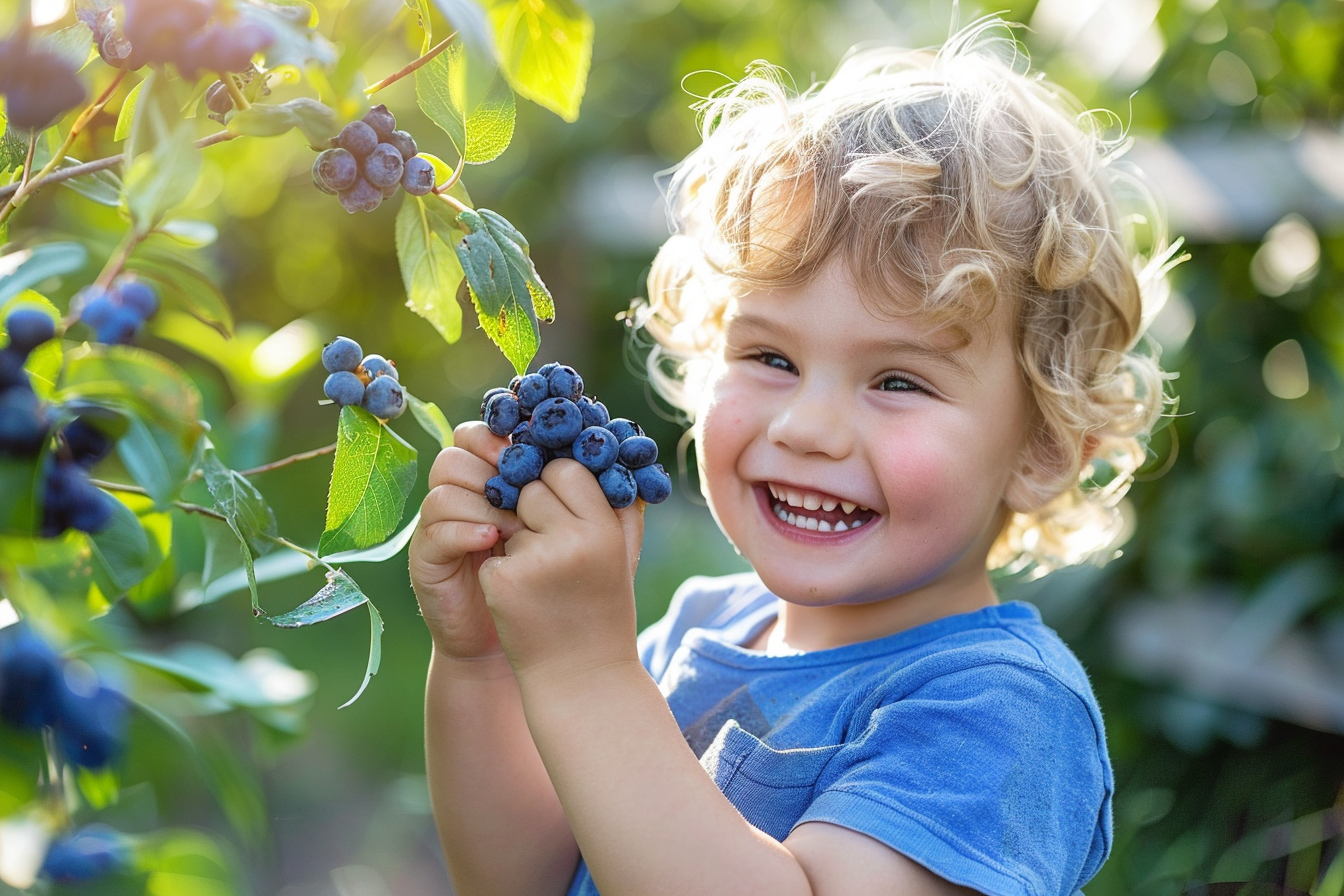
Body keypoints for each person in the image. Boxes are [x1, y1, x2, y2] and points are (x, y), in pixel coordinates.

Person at [408, 17, 1184, 896]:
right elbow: (518, 882)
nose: (809, 427)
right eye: (772, 359)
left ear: (1041, 449)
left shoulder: (1001, 711)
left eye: (898, 380)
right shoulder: (703, 627)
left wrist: (585, 670)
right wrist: (482, 661)